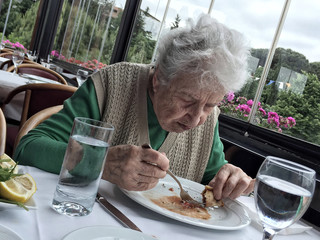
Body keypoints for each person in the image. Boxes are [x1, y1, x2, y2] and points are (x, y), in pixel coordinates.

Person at [14, 14, 254, 201]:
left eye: (210, 105)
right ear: (158, 79)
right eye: (187, 101)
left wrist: (230, 179)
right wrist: (101, 162)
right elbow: (28, 149)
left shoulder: (207, 122)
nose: (195, 119)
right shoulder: (110, 85)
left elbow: (214, 177)